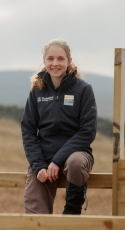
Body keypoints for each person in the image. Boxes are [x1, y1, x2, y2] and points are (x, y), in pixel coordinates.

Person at [21, 39, 97, 215]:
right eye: (50, 59)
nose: (55, 63)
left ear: (69, 61)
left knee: (76, 162)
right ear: (45, 61)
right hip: (44, 159)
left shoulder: (83, 89)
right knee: (35, 216)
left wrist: (57, 160)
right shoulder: (37, 91)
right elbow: (28, 131)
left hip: (76, 154)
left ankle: (72, 212)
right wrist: (38, 165)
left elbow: (88, 131)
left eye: (61, 59)